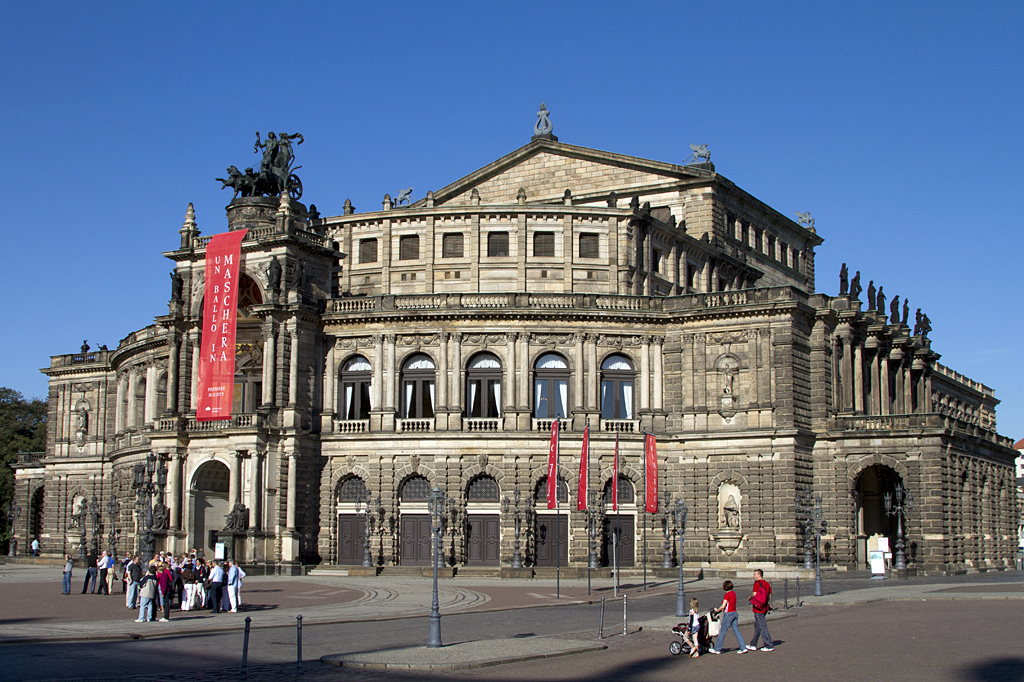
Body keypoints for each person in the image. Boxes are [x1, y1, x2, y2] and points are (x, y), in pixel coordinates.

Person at [708, 580, 753, 654]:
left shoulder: (727, 594)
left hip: (728, 614)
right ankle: (743, 647)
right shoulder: (733, 593)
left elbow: (723, 606)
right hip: (734, 613)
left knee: (722, 632)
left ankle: (717, 649)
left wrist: (717, 610)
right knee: (737, 632)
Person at [748, 569, 775, 651]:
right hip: (765, 607)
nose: (753, 576)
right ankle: (753, 644)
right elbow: (769, 596)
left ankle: (768, 644)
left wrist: (750, 598)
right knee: (757, 626)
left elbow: (754, 594)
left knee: (762, 626)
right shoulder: (767, 584)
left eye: (754, 574)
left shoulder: (757, 583)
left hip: (758, 608)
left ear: (759, 575)